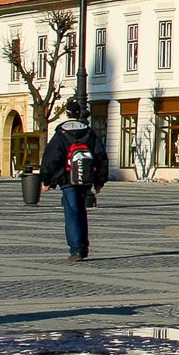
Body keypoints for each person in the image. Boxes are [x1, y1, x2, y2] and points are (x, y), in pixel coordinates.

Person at [40, 98, 108, 260]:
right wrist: (100, 180)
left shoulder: (61, 133)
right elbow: (100, 156)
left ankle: (76, 249)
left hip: (67, 178)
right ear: (79, 113)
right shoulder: (89, 132)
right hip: (85, 178)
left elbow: (52, 157)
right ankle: (83, 247)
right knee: (81, 211)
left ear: (67, 113)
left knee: (72, 212)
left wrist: (46, 180)